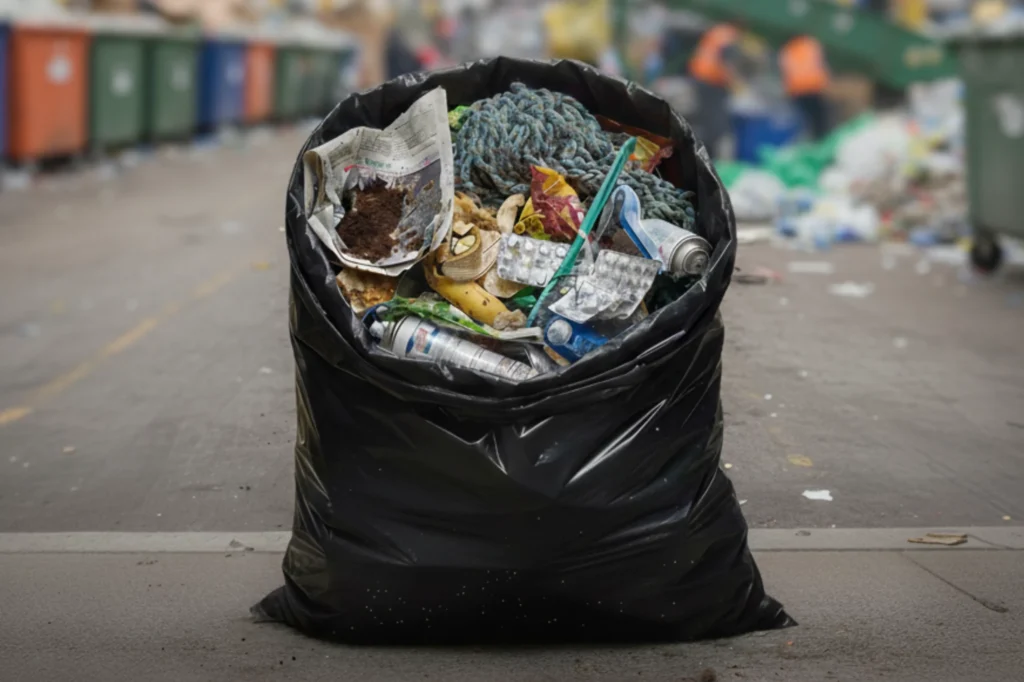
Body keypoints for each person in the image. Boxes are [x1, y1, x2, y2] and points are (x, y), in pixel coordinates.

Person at [688, 23, 741, 158]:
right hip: (713, 82)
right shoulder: (729, 35)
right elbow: (726, 59)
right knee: (716, 123)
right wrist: (734, 82)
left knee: (702, 117)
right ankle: (712, 155)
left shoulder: (716, 31)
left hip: (699, 77)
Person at [779, 35, 831, 141]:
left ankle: (812, 139)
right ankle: (821, 139)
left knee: (807, 120)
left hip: (797, 90)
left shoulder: (786, 51)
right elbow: (820, 64)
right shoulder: (810, 45)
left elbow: (786, 72)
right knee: (820, 119)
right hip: (814, 87)